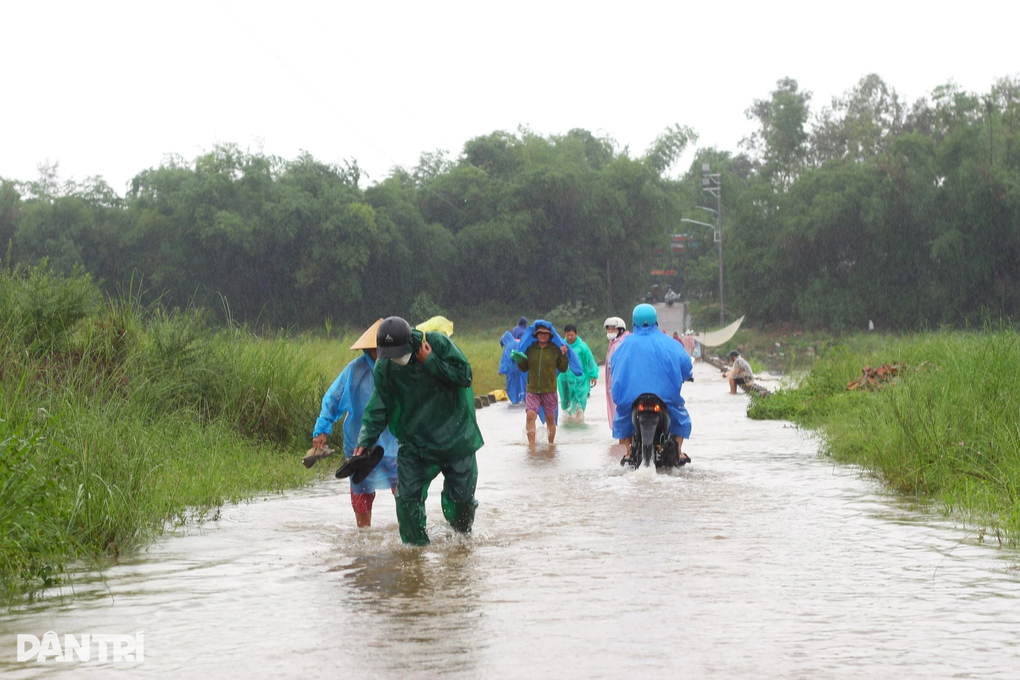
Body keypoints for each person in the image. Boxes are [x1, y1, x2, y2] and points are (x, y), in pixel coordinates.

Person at [352, 317, 483, 546]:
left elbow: (465, 376)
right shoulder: (385, 366)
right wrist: (365, 440)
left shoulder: (436, 344)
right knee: (406, 499)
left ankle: (461, 544)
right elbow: (378, 406)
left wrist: (431, 361)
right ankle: (415, 552)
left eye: (398, 352)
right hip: (416, 444)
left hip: (455, 439)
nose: (395, 358)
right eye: (389, 353)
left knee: (462, 502)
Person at [311, 319, 399, 528]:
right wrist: (322, 430)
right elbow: (332, 399)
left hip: (394, 442)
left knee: (405, 489)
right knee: (361, 492)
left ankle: (407, 538)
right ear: (372, 348)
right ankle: (364, 540)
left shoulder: (399, 367)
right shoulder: (354, 371)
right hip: (359, 443)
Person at [611, 304, 693, 463]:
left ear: (634, 322)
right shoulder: (669, 343)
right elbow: (686, 365)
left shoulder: (624, 345)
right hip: (665, 398)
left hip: (631, 399)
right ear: (656, 321)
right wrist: (686, 375)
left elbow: (614, 367)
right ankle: (679, 450)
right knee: (680, 414)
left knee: (622, 413)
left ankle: (628, 451)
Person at [512, 320, 578, 444]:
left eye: (546, 333)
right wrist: (519, 360)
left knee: (550, 419)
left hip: (549, 390)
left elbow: (563, 368)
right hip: (532, 389)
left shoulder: (555, 350)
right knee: (530, 416)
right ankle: (531, 446)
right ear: (536, 335)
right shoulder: (530, 349)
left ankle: (550, 445)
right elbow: (524, 367)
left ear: (550, 335)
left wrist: (563, 354)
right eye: (540, 333)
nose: (543, 335)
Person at [557, 324, 599, 417]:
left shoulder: (582, 347)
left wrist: (593, 375)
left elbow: (589, 361)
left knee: (579, 402)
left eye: (571, 335)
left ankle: (579, 421)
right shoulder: (561, 346)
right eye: (567, 335)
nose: (569, 337)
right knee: (565, 402)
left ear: (576, 334)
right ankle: (568, 422)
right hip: (564, 378)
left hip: (580, 380)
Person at [603, 316, 628, 427]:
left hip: (618, 384)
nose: (610, 332)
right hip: (613, 384)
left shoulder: (620, 344)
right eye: (608, 329)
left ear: (620, 330)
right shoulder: (614, 343)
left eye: (613, 329)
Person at [498, 330, 527, 404]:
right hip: (521, 367)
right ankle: (524, 397)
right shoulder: (518, 343)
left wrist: (501, 370)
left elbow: (505, 360)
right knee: (522, 383)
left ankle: (515, 399)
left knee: (512, 385)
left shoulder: (508, 347)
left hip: (512, 369)